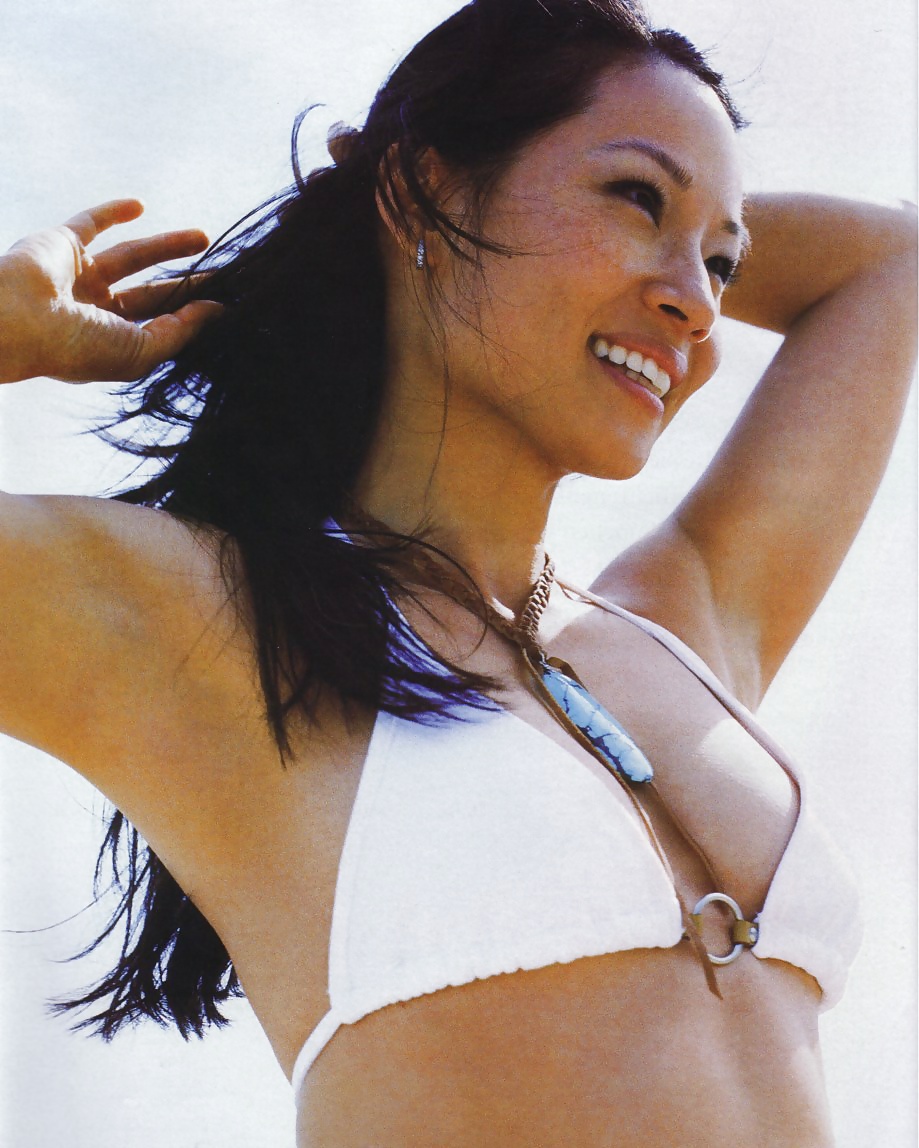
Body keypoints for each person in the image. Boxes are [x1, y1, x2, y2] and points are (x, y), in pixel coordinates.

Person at [0, 0, 915, 1144]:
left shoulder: (683, 623)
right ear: (421, 192)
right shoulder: (202, 621)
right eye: (636, 197)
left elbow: (892, 263)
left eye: (723, 262)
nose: (698, 304)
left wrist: (644, 233)